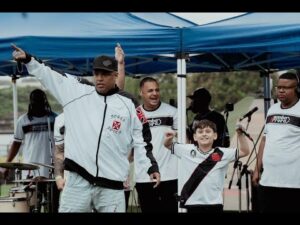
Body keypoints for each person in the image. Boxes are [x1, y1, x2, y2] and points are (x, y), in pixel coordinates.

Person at [12, 44, 160, 213]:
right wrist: (29, 60)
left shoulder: (129, 104)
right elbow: (51, 74)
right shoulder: (76, 92)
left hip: (112, 186)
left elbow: (142, 138)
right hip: (77, 182)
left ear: (115, 75)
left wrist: (151, 166)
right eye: (96, 73)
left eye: (104, 74)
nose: (99, 78)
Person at [164, 119, 249, 213]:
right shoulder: (186, 150)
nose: (204, 134)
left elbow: (245, 151)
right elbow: (168, 145)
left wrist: (240, 135)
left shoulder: (222, 153)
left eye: (208, 131)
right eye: (200, 132)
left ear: (215, 136)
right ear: (195, 137)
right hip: (192, 204)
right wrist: (170, 137)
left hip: (215, 204)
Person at [2, 88, 59, 212]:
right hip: (30, 171)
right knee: (31, 206)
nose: (37, 104)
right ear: (30, 102)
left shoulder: (55, 119)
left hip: (53, 171)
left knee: (54, 206)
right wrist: (6, 165)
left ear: (45, 101)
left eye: (40, 101)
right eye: (35, 101)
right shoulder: (23, 120)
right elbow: (16, 143)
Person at [252, 72, 300, 213]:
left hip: (294, 183)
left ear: (296, 88)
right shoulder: (272, 109)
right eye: (278, 87)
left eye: (286, 87)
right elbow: (265, 139)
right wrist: (256, 169)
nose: (281, 90)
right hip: (268, 181)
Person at [134, 77, 178, 213]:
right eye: (150, 90)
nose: (154, 93)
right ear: (141, 92)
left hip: (170, 176)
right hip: (144, 176)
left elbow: (183, 140)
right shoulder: (135, 114)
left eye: (157, 90)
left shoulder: (172, 112)